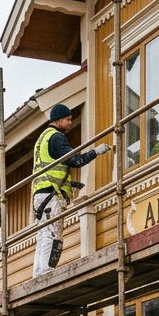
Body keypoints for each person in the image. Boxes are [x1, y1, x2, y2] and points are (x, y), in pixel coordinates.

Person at [31, 103, 110, 277]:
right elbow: (74, 160)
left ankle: (38, 273)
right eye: (67, 119)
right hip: (50, 194)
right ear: (58, 120)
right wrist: (95, 152)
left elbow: (55, 166)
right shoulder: (56, 137)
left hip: (42, 193)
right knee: (53, 234)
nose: (69, 123)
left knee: (45, 232)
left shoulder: (43, 138)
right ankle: (44, 273)